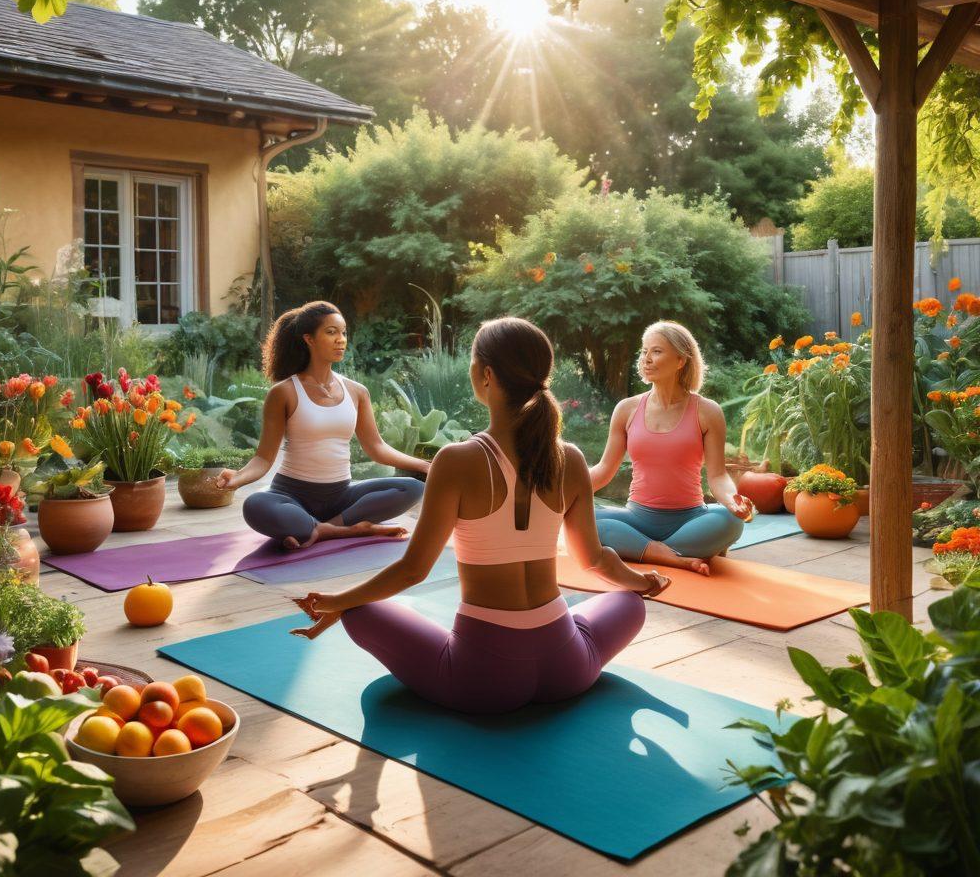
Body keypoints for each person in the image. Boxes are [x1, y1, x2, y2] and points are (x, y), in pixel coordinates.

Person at [290, 317, 671, 716]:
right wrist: (642, 582)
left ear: (485, 374)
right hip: (567, 667)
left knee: (361, 610)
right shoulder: (570, 458)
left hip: (482, 678)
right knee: (630, 603)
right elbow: (594, 559)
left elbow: (412, 571)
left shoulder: (456, 460)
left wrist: (338, 601)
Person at [216, 301, 427, 552]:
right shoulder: (284, 392)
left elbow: (376, 447)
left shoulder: (357, 392)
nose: (341, 340)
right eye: (331, 332)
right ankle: (348, 529)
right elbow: (263, 458)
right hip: (292, 496)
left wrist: (426, 466)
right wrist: (237, 478)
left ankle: (320, 529)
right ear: (309, 339)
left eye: (344, 332)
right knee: (256, 505)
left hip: (342, 496)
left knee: (412, 487)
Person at [588, 320, 752, 576]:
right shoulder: (626, 409)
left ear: (680, 360)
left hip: (690, 519)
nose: (646, 359)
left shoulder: (707, 411)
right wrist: (564, 494)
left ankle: (644, 550)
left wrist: (733, 502)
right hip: (637, 518)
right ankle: (679, 557)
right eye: (644, 352)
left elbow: (718, 476)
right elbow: (604, 469)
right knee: (584, 522)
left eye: (656, 351)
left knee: (730, 521)